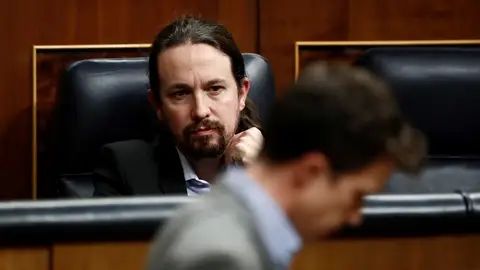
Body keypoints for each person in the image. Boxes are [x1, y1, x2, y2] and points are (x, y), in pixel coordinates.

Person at [146, 63, 426, 270]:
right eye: (356, 196)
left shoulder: (222, 217)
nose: (355, 217)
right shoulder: (225, 257)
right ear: (311, 172)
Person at [93, 16, 263, 196]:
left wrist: (262, 177)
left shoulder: (283, 166)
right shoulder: (126, 168)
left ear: (241, 93)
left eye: (214, 89)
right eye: (180, 94)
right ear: (158, 104)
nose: (200, 111)